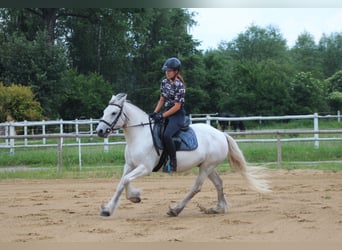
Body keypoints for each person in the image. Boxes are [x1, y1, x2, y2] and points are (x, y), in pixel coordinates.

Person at [150, 57, 186, 172]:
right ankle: (161, 159)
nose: (167, 73)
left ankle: (173, 162)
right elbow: (161, 99)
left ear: (176, 71)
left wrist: (162, 115)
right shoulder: (164, 82)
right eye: (166, 71)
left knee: (166, 135)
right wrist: (155, 113)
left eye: (169, 71)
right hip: (167, 112)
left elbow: (177, 106)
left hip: (177, 115)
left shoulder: (180, 85)